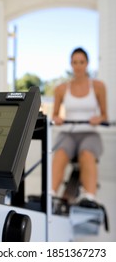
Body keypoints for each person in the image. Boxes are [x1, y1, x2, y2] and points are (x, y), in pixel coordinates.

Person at [52, 47, 108, 204]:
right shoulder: (61, 88)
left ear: (87, 64)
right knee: (61, 153)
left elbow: (105, 115)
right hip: (68, 133)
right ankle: (51, 196)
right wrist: (57, 118)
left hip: (89, 133)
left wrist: (99, 118)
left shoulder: (98, 86)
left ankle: (89, 198)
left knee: (86, 154)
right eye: (74, 62)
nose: (78, 66)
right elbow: (55, 115)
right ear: (71, 64)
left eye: (81, 62)